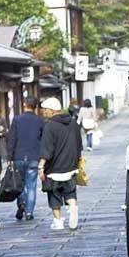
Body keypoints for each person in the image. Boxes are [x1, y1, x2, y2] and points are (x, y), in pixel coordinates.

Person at [39, 97, 82, 231]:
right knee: (70, 192)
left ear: (51, 111)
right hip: (70, 166)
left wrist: (41, 166)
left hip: (53, 168)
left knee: (54, 195)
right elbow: (79, 144)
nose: (43, 112)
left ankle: (58, 222)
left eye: (45, 110)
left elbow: (47, 148)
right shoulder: (73, 123)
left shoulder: (49, 126)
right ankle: (72, 206)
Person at [7, 96, 44, 221]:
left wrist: (9, 156)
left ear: (24, 104)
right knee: (31, 185)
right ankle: (29, 212)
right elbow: (43, 139)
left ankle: (21, 202)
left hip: (18, 156)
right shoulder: (39, 121)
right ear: (36, 107)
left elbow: (12, 139)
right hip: (34, 156)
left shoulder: (17, 120)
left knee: (19, 183)